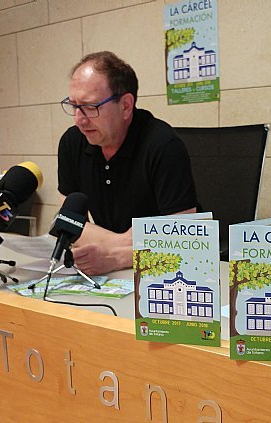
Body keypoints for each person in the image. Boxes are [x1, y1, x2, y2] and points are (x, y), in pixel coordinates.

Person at [57, 51, 197, 275]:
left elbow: (184, 238)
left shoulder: (163, 144)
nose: (79, 120)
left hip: (165, 271)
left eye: (90, 107)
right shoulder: (72, 142)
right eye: (74, 105)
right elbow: (69, 223)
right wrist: (125, 241)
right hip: (109, 268)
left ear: (125, 106)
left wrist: (118, 257)